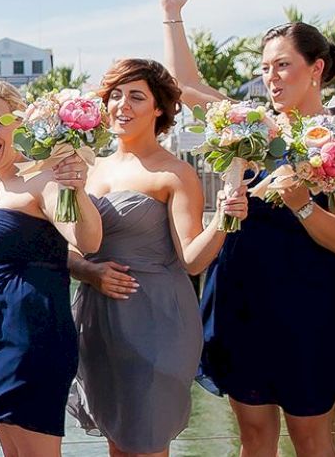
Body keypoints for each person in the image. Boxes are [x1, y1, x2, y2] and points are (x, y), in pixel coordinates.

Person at [159, 0, 335, 457]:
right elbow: (181, 86)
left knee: (312, 439)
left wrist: (301, 204)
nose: (271, 78)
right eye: (265, 68)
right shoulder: (250, 124)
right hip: (242, 294)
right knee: (252, 437)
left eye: (282, 66)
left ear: (316, 69)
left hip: (307, 303)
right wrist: (171, 13)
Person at [0, 81, 102, 455]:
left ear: (22, 125)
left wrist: (75, 188)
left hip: (28, 337)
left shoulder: (43, 180)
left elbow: (87, 240)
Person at [62, 59, 216, 457]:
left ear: (159, 108)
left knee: (146, 440)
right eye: (115, 95)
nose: (121, 105)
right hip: (99, 319)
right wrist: (87, 270)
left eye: (136, 96)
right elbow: (65, 242)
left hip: (156, 320)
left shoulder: (174, 173)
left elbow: (194, 260)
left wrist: (227, 219)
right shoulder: (85, 167)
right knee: (118, 440)